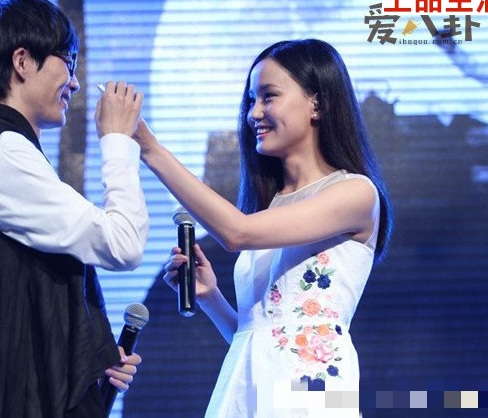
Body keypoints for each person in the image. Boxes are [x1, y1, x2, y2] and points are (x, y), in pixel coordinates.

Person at [133, 39, 392, 417]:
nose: (254, 113)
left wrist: (151, 150)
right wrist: (209, 296)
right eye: (250, 100)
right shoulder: (271, 206)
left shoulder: (355, 192)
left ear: (318, 103)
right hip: (247, 393)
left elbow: (236, 233)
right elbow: (258, 339)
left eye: (269, 96)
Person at [0, 0, 148, 417]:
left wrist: (86, 358)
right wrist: (116, 140)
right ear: (22, 61)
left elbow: (18, 296)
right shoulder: (4, 155)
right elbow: (123, 243)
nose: (75, 83)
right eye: (68, 62)